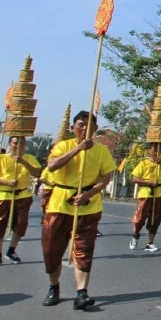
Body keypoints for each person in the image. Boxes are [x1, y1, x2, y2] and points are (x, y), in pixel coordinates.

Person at [42, 111, 115, 309]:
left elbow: (106, 177)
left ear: (95, 129)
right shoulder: (62, 146)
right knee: (51, 249)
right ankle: (53, 286)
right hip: (59, 204)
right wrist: (78, 149)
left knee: (84, 250)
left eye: (89, 125)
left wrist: (88, 194)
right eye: (80, 124)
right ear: (73, 127)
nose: (84, 128)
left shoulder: (101, 151)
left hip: (87, 206)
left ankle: (82, 292)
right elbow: (52, 166)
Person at [0, 138, 43, 266]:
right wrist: (7, 183)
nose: (18, 145)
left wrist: (23, 162)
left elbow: (38, 173)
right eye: (15, 143)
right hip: (1, 195)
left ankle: (11, 250)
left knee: (21, 224)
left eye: (21, 143)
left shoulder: (29, 158)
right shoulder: (0, 158)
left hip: (22, 195)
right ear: (10, 144)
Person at [130, 143, 161, 252]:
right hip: (146, 194)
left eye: (159, 149)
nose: (157, 151)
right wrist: (149, 183)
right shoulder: (144, 163)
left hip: (160, 193)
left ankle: (150, 242)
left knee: (155, 219)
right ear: (150, 150)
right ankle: (135, 235)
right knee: (140, 218)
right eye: (154, 149)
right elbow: (135, 179)